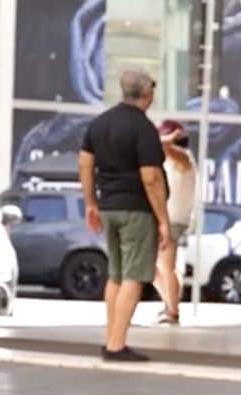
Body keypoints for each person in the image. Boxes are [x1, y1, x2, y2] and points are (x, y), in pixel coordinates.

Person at [78, 70, 170, 362]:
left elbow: (84, 165)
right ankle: (116, 345)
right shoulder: (142, 128)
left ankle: (111, 338)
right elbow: (151, 177)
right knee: (134, 275)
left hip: (109, 207)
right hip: (136, 210)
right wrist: (163, 220)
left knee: (115, 275)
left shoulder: (99, 123)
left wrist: (91, 203)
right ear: (147, 94)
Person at [153, 120, 197, 325]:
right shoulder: (173, 161)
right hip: (167, 219)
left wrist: (168, 138)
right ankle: (170, 304)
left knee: (165, 266)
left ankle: (172, 310)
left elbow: (160, 145)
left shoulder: (183, 158)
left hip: (173, 220)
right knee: (156, 268)